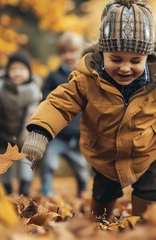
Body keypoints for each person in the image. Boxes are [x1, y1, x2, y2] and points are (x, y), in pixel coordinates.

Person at [21, 0, 156, 218]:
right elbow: (59, 103)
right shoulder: (87, 80)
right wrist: (40, 132)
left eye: (135, 60)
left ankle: (144, 226)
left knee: (149, 193)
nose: (125, 67)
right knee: (103, 194)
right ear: (103, 53)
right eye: (116, 59)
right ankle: (98, 222)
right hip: (105, 153)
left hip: (148, 151)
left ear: (147, 57)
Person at [0, 50, 41, 196]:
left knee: (25, 161)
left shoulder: (33, 90)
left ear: (29, 72)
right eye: (13, 69)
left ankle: (25, 189)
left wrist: (25, 140)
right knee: (5, 164)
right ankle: (7, 191)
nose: (17, 72)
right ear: (7, 71)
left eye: (21, 69)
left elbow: (31, 116)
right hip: (4, 133)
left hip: (24, 134)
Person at [40, 32, 90, 198]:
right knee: (49, 164)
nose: (68, 56)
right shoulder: (54, 77)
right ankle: (47, 192)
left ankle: (82, 194)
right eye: (64, 52)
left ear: (81, 53)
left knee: (81, 169)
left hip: (78, 136)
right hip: (58, 135)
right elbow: (45, 98)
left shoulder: (87, 77)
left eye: (73, 51)